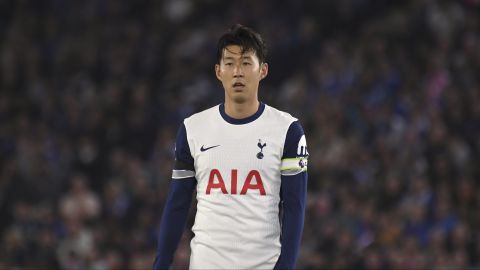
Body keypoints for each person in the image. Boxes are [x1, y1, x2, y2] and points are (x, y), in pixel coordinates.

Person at [153, 24, 308, 270]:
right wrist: (161, 264)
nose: (237, 72)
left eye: (246, 63)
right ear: (218, 71)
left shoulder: (288, 131)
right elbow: (177, 204)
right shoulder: (193, 129)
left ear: (263, 71)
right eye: (229, 63)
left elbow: (294, 207)